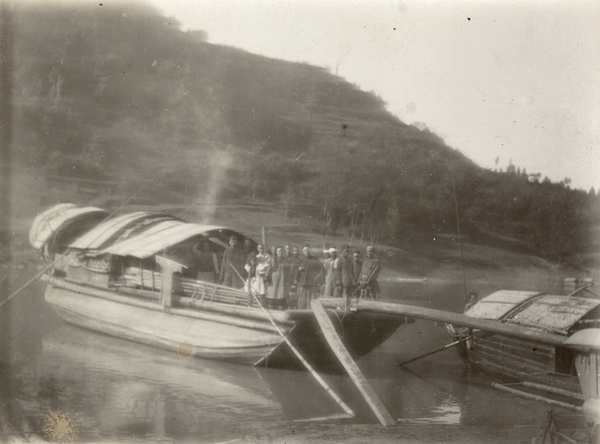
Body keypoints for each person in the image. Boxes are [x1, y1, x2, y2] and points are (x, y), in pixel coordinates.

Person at [296, 245, 323, 309]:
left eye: (308, 250)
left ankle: (311, 313)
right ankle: (301, 313)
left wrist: (317, 278)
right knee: (302, 299)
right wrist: (298, 269)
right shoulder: (299, 259)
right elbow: (293, 269)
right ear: (302, 251)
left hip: (312, 283)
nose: (307, 252)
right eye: (305, 250)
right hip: (302, 282)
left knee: (311, 300)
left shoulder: (315, 259)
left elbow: (322, 270)